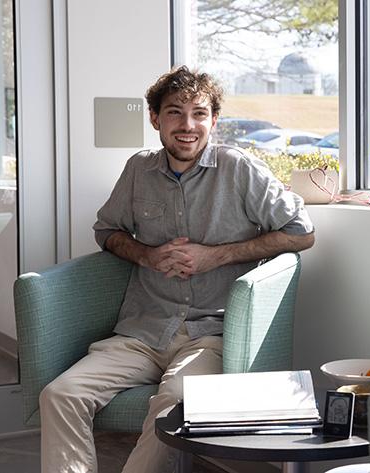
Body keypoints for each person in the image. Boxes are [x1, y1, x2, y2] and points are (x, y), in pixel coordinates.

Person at [39, 66, 315, 472]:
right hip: (142, 330)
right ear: (155, 118)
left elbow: (301, 234)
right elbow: (107, 230)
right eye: (175, 113)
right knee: (61, 394)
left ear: (213, 120)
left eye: (199, 113)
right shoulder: (138, 169)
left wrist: (216, 255)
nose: (188, 125)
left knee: (172, 403)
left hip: (210, 333)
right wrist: (146, 255)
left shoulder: (240, 169)